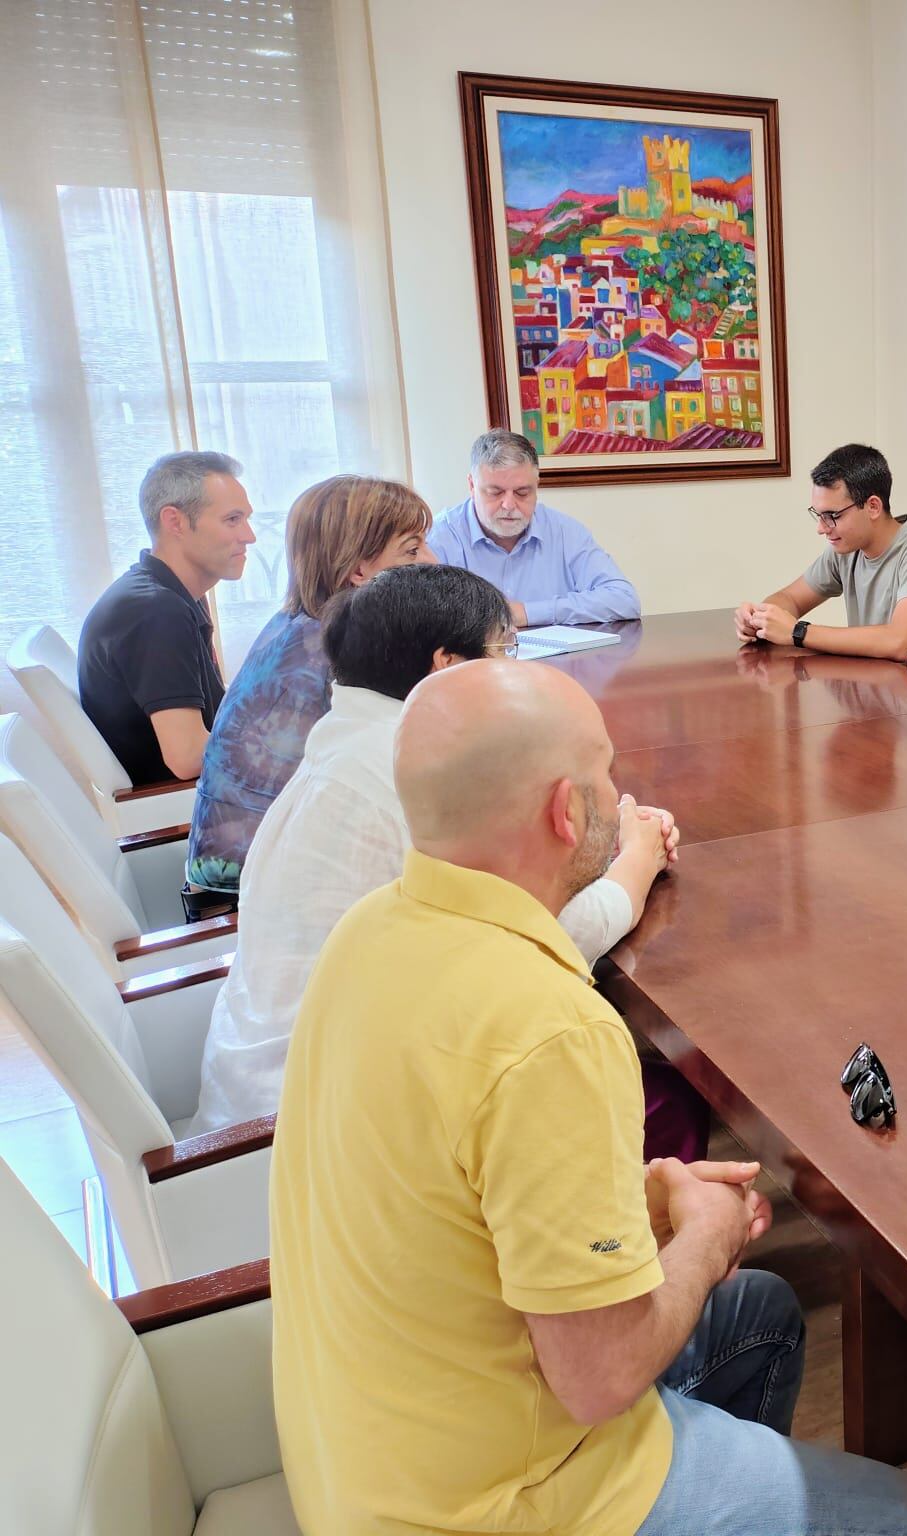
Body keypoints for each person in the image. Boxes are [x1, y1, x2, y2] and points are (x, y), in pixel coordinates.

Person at [269, 656, 907, 1536]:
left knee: (763, 1317)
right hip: (486, 1508)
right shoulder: (550, 1026)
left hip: (367, 1460)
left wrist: (631, 1197)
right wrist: (706, 1236)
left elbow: (452, 1185)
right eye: (605, 772)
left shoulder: (367, 934)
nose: (619, 793)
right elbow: (597, 1378)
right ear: (566, 811)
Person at [187, 563, 685, 1144]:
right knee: (660, 1097)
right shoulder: (415, 777)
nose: (516, 669)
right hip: (322, 1123)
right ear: (447, 666)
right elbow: (545, 941)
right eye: (506, 650)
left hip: (269, 1089)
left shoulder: (348, 745)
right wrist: (636, 863)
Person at [184, 475, 436, 902]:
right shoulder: (339, 652)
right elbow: (404, 764)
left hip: (249, 867)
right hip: (256, 894)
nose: (432, 561)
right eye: (412, 550)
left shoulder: (296, 624)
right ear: (358, 570)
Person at [76, 450, 255, 784]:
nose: (249, 536)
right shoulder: (156, 612)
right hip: (186, 800)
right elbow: (187, 758)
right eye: (232, 520)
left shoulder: (171, 595)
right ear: (175, 522)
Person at [735, 442, 907, 659]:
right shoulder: (846, 550)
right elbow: (790, 599)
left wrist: (798, 632)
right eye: (818, 515)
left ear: (873, 507)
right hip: (875, 681)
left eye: (832, 516)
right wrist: (760, 619)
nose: (821, 528)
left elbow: (900, 642)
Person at [429, 428, 640, 625]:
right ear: (472, 486)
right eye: (495, 492)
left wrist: (529, 612)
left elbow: (624, 600)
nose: (509, 505)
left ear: (537, 486)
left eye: (522, 493)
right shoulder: (441, 536)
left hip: (555, 653)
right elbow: (426, 617)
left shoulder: (564, 532)